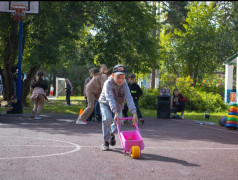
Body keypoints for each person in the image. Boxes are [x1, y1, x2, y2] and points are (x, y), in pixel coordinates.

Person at [98, 64, 138, 151]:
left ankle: (112, 133)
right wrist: (115, 113)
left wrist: (134, 112)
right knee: (107, 119)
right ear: (112, 75)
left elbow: (129, 98)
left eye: (123, 77)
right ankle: (106, 141)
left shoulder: (125, 85)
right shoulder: (107, 83)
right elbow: (110, 98)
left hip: (118, 104)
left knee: (119, 123)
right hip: (105, 102)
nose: (121, 80)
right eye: (118, 77)